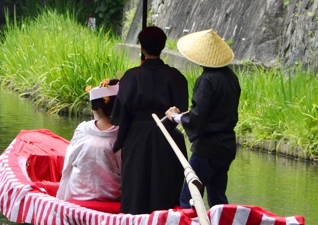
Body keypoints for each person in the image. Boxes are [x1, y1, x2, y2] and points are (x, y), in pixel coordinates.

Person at [112, 26, 189, 215]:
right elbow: (181, 112)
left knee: (136, 188)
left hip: (137, 137)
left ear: (142, 48)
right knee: (165, 187)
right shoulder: (177, 77)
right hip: (168, 136)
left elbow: (120, 115)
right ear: (162, 46)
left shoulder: (131, 76)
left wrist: (121, 141)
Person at [164, 30, 241, 209]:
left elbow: (197, 118)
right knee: (217, 197)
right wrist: (184, 116)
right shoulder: (231, 77)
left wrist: (175, 117)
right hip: (227, 146)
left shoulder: (206, 80)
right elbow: (211, 113)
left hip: (208, 148)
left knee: (190, 196)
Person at [57, 78, 122, 202]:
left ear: (97, 109)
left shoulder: (83, 129)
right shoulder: (121, 135)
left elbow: (69, 160)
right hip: (111, 195)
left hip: (79, 193)